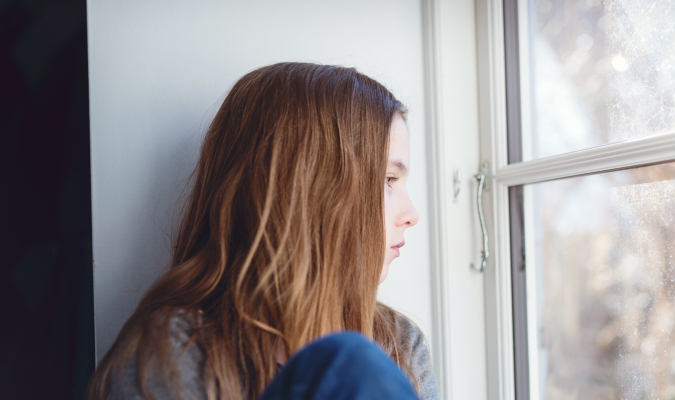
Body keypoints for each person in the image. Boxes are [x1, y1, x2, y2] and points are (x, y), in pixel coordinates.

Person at [87, 63, 439, 400]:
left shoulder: (401, 345)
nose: (411, 214)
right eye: (387, 179)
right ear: (306, 189)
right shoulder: (177, 356)